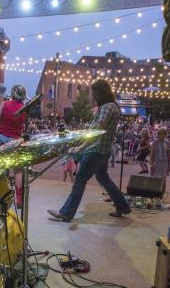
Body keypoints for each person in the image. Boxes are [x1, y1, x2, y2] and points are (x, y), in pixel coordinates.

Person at [48, 79, 131, 222]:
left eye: (95, 92)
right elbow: (94, 129)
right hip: (103, 151)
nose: (94, 96)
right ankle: (122, 206)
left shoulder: (107, 107)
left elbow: (97, 131)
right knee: (103, 178)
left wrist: (80, 148)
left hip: (95, 151)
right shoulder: (112, 107)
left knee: (80, 179)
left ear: (102, 92)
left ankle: (66, 213)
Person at [0, 85, 27, 206]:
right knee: (17, 170)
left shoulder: (5, 104)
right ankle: (18, 198)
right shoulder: (24, 108)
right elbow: (23, 125)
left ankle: (0, 194)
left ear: (12, 93)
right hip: (15, 142)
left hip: (1, 140)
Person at [150, 127, 170, 192]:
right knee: (155, 178)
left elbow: (168, 155)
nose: (162, 135)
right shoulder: (154, 143)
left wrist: (169, 165)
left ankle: (162, 192)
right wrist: (151, 164)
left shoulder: (167, 143)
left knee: (164, 178)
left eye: (164, 134)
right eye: (161, 134)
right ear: (158, 134)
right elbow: (152, 155)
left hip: (164, 163)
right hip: (156, 162)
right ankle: (155, 191)